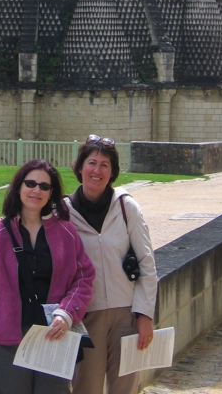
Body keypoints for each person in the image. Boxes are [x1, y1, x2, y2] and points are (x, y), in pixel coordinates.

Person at [0, 158, 95, 394]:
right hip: (7, 341)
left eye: (44, 186)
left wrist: (66, 313)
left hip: (54, 335)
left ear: (51, 193)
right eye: (31, 183)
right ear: (19, 187)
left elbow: (84, 279)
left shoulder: (66, 232)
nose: (37, 190)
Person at [68, 135, 158, 394]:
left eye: (105, 165)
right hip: (86, 315)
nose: (97, 171)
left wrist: (144, 316)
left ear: (113, 172)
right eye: (92, 163)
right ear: (80, 167)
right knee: (86, 387)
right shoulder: (64, 211)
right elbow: (32, 223)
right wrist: (0, 225)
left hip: (125, 315)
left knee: (125, 388)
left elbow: (146, 262)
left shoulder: (126, 206)